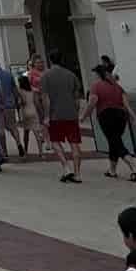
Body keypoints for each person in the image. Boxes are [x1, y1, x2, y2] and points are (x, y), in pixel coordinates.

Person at [40, 51, 85, 183]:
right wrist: (76, 112)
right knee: (75, 144)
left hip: (55, 115)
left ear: (50, 60)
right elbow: (77, 98)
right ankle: (77, 173)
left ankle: (66, 167)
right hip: (71, 114)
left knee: (55, 142)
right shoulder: (71, 75)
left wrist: (47, 116)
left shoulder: (46, 76)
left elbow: (45, 98)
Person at [93, 65, 136, 181]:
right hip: (121, 116)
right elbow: (126, 105)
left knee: (115, 142)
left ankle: (134, 168)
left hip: (106, 115)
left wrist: (83, 115)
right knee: (114, 140)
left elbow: (92, 102)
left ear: (99, 75)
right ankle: (112, 170)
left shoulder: (96, 86)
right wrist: (134, 118)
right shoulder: (118, 87)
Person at [0, 58, 28, 159]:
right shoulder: (8, 74)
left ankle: (4, 151)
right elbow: (14, 89)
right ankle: (18, 143)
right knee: (13, 127)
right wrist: (20, 98)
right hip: (10, 104)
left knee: (0, 129)